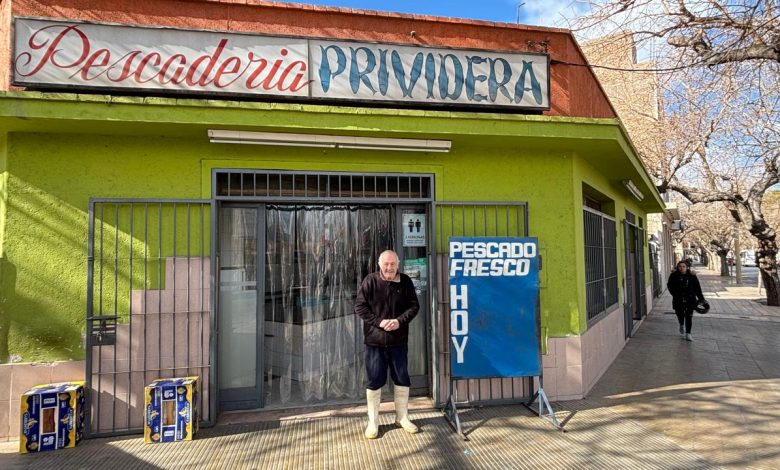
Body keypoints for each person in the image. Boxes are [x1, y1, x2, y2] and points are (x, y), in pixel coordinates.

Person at [354, 249, 420, 439]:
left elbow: (414, 306)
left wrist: (399, 321)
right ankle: (373, 422)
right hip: (375, 341)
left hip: (398, 340)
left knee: (402, 378)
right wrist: (379, 322)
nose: (389, 267)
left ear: (398, 264)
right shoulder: (370, 281)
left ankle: (402, 418)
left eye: (393, 264)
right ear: (379, 264)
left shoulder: (405, 281)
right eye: (386, 264)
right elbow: (359, 306)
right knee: (375, 380)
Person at [667, 260, 705, 341]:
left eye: (683, 266)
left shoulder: (692, 276)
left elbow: (697, 288)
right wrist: (674, 294)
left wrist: (701, 298)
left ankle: (688, 333)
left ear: (687, 267)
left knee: (689, 316)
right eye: (680, 266)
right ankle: (681, 324)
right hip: (678, 299)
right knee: (680, 314)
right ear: (677, 267)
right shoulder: (674, 275)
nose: (681, 268)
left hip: (690, 299)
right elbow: (669, 286)